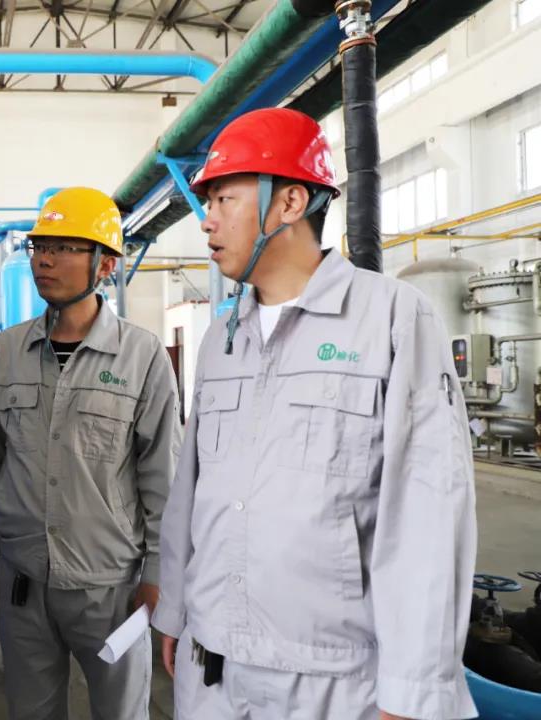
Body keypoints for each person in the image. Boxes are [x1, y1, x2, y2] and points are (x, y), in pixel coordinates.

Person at [153, 107, 478, 720]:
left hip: (332, 682)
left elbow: (429, 511)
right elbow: (190, 495)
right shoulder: (221, 337)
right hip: (212, 667)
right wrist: (174, 608)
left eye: (223, 199)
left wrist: (413, 687)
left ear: (290, 202)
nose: (207, 220)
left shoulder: (392, 318)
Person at [0, 186, 182, 720]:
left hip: (109, 589)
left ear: (105, 264)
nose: (44, 260)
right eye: (39, 246)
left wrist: (158, 571)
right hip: (23, 581)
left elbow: (162, 476)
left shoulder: (141, 356)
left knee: (120, 713)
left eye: (64, 247)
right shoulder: (7, 350)